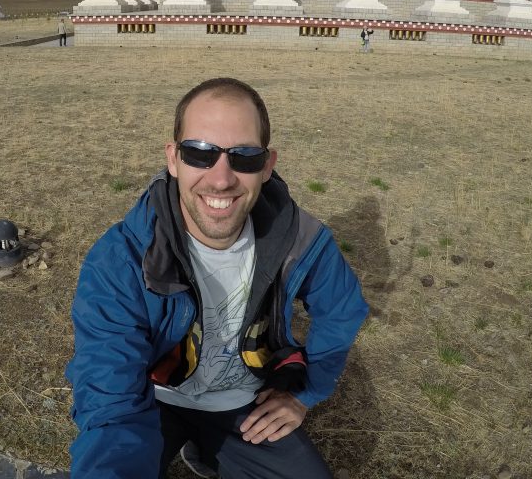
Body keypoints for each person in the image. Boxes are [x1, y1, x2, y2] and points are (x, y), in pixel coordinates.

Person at [67, 77, 368, 479]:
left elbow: (342, 308)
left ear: (267, 165)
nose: (221, 178)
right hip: (153, 398)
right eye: (200, 153)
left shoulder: (301, 239)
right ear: (173, 158)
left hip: (243, 403)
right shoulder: (121, 259)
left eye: (244, 157)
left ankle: (209, 449)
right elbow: (111, 401)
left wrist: (304, 393)